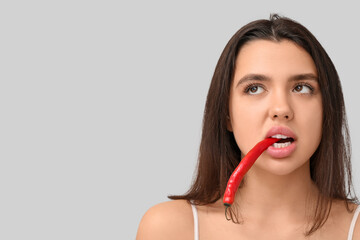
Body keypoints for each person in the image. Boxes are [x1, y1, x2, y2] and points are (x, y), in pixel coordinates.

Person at [136, 14, 360, 239]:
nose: (281, 109)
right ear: (226, 115)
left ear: (328, 110)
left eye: (302, 88)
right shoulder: (168, 229)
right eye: (254, 88)